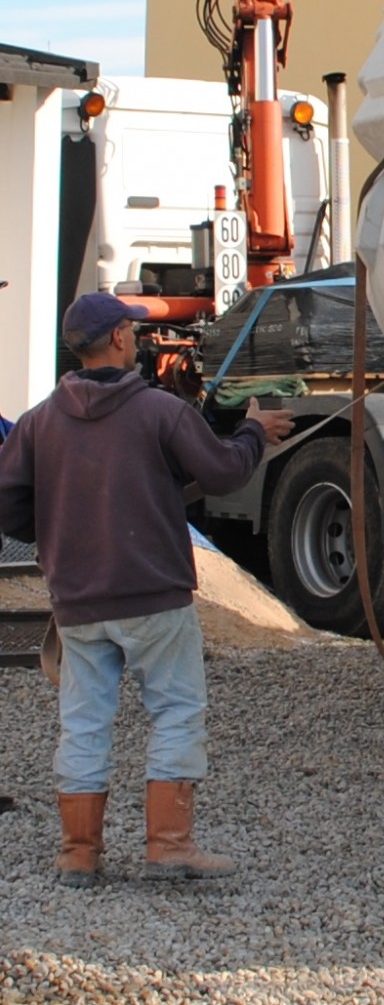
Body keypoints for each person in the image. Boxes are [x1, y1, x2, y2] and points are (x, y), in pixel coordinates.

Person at [0, 292, 293, 888]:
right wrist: (256, 433)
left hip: (78, 601)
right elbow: (222, 471)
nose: (137, 338)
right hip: (154, 596)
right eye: (131, 331)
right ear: (116, 340)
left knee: (83, 723)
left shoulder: (38, 421)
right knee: (176, 712)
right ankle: (168, 846)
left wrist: (57, 529)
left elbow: (7, 506)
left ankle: (78, 854)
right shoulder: (159, 412)